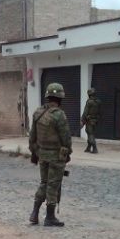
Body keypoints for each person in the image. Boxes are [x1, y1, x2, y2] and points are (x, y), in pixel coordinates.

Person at [28, 83, 72, 227]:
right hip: (56, 157)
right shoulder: (59, 115)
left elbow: (32, 137)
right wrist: (67, 154)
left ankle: (34, 213)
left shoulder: (38, 112)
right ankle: (50, 217)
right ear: (60, 98)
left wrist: (35, 152)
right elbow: (66, 138)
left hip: (42, 155)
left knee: (44, 183)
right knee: (53, 185)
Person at [80, 87, 101, 154]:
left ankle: (94, 148)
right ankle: (88, 147)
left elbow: (85, 112)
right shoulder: (98, 101)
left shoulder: (89, 102)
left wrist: (82, 120)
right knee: (90, 133)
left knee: (90, 134)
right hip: (95, 120)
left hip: (89, 120)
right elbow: (100, 112)